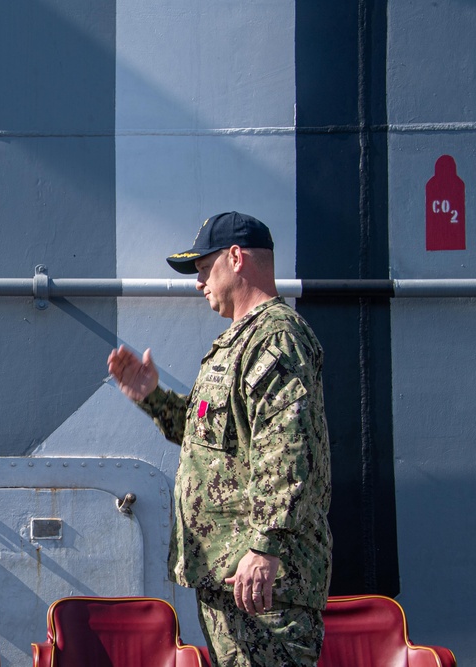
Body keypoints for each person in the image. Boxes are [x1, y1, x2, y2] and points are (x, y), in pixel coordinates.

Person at [107, 212, 332, 666]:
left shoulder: (276, 337)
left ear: (235, 258)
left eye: (203, 269)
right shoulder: (238, 340)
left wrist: (265, 546)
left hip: (266, 584)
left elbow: (288, 449)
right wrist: (152, 398)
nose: (198, 283)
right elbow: (210, 438)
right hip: (231, 577)